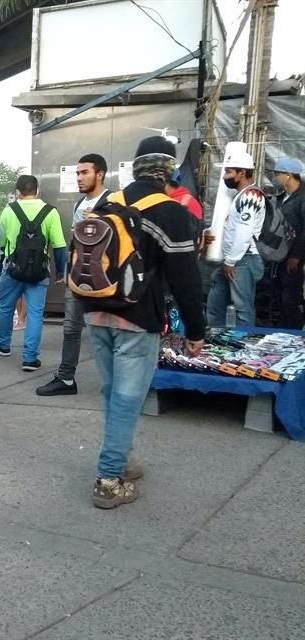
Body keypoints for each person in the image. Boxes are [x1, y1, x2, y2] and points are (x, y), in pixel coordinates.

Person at [86, 136, 205, 509]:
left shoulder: (108, 202)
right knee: (126, 397)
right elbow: (186, 279)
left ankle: (124, 458)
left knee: (112, 392)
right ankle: (108, 479)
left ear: (135, 167)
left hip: (96, 311)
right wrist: (196, 330)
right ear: (168, 170)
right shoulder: (171, 212)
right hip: (138, 318)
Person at [37, 154, 110, 396]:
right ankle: (66, 378)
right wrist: (67, 271)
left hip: (104, 280)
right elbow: (75, 242)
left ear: (99, 174)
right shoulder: (79, 204)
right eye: (77, 173)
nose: (79, 177)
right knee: (70, 329)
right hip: (77, 277)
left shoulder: (113, 203)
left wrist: (99, 222)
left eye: (84, 172)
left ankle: (113, 383)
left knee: (104, 331)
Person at [0, 174, 67, 372]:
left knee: (6, 307)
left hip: (12, 269)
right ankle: (30, 358)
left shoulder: (9, 211)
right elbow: (59, 246)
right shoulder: (50, 212)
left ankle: (3, 344)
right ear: (37, 190)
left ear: (18, 192)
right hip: (39, 271)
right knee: (35, 313)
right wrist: (60, 273)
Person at [206, 148, 266, 327]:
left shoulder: (250, 196)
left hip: (243, 259)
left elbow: (244, 232)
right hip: (235, 259)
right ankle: (215, 339)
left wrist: (231, 260)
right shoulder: (241, 196)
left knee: (242, 308)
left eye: (228, 171)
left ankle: (244, 346)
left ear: (242, 173)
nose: (225, 176)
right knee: (216, 304)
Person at [271, 157, 305, 329]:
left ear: (289, 175)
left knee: (290, 300)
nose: (275, 177)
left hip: (294, 258)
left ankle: (295, 336)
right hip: (279, 256)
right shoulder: (281, 197)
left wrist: (296, 256)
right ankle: (283, 334)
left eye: (278, 174)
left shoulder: (302, 197)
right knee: (280, 299)